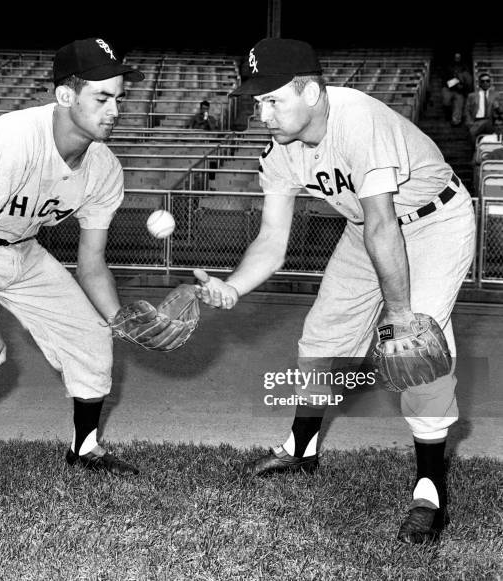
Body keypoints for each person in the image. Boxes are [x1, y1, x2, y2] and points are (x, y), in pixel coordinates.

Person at [194, 38, 476, 545]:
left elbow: (384, 225)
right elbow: (272, 239)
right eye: (257, 101)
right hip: (363, 226)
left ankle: (430, 489)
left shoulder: (357, 119)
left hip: (433, 221)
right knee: (323, 338)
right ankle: (302, 449)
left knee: (420, 348)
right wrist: (233, 287)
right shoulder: (280, 150)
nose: (262, 114)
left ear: (312, 92)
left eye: (272, 100)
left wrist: (399, 317)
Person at [0, 37, 157, 531]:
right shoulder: (18, 135)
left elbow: (91, 263)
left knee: (91, 337)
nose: (115, 109)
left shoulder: (104, 167)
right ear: (66, 96)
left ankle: (84, 449)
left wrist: (120, 320)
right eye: (102, 97)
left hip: (20, 249)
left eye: (119, 98)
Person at [465, 72, 502, 144]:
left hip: (490, 121)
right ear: (479, 83)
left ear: (490, 83)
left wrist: (497, 107)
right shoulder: (472, 95)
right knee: (472, 134)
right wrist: (470, 123)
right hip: (476, 122)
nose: (485, 83)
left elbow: (501, 111)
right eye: (483, 81)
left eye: (487, 81)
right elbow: (467, 110)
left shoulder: (495, 95)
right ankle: (476, 152)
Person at [441, 52, 473, 127]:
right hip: (448, 88)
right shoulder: (448, 67)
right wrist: (456, 81)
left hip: (459, 90)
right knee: (446, 101)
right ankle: (448, 115)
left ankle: (456, 121)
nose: (457, 59)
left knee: (459, 103)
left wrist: (462, 85)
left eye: (459, 57)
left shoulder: (464, 68)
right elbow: (445, 79)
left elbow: (467, 81)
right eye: (456, 57)